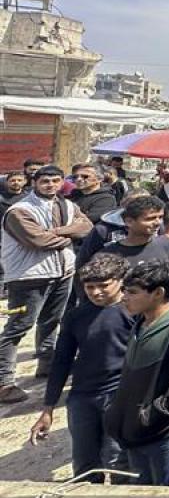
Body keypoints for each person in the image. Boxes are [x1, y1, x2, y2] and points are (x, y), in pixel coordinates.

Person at [30, 253, 133, 481]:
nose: (96, 292)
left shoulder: (133, 312)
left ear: (121, 281)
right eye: (90, 287)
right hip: (82, 397)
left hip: (119, 396)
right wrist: (48, 408)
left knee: (117, 461)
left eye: (104, 286)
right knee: (85, 463)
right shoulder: (76, 316)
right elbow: (62, 361)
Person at [104, 259, 169, 484]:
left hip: (164, 432)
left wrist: (157, 410)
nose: (125, 297)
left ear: (158, 293)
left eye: (132, 292)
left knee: (166, 490)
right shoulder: (140, 323)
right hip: (137, 431)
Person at [0, 165, 92, 402]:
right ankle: (4, 382)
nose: (50, 185)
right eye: (45, 181)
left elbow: (87, 227)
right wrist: (68, 234)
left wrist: (58, 231)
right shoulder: (19, 211)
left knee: (52, 321)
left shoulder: (69, 206)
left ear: (62, 182)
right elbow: (37, 240)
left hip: (62, 272)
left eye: (55, 181)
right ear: (34, 183)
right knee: (19, 326)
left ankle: (47, 364)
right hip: (28, 276)